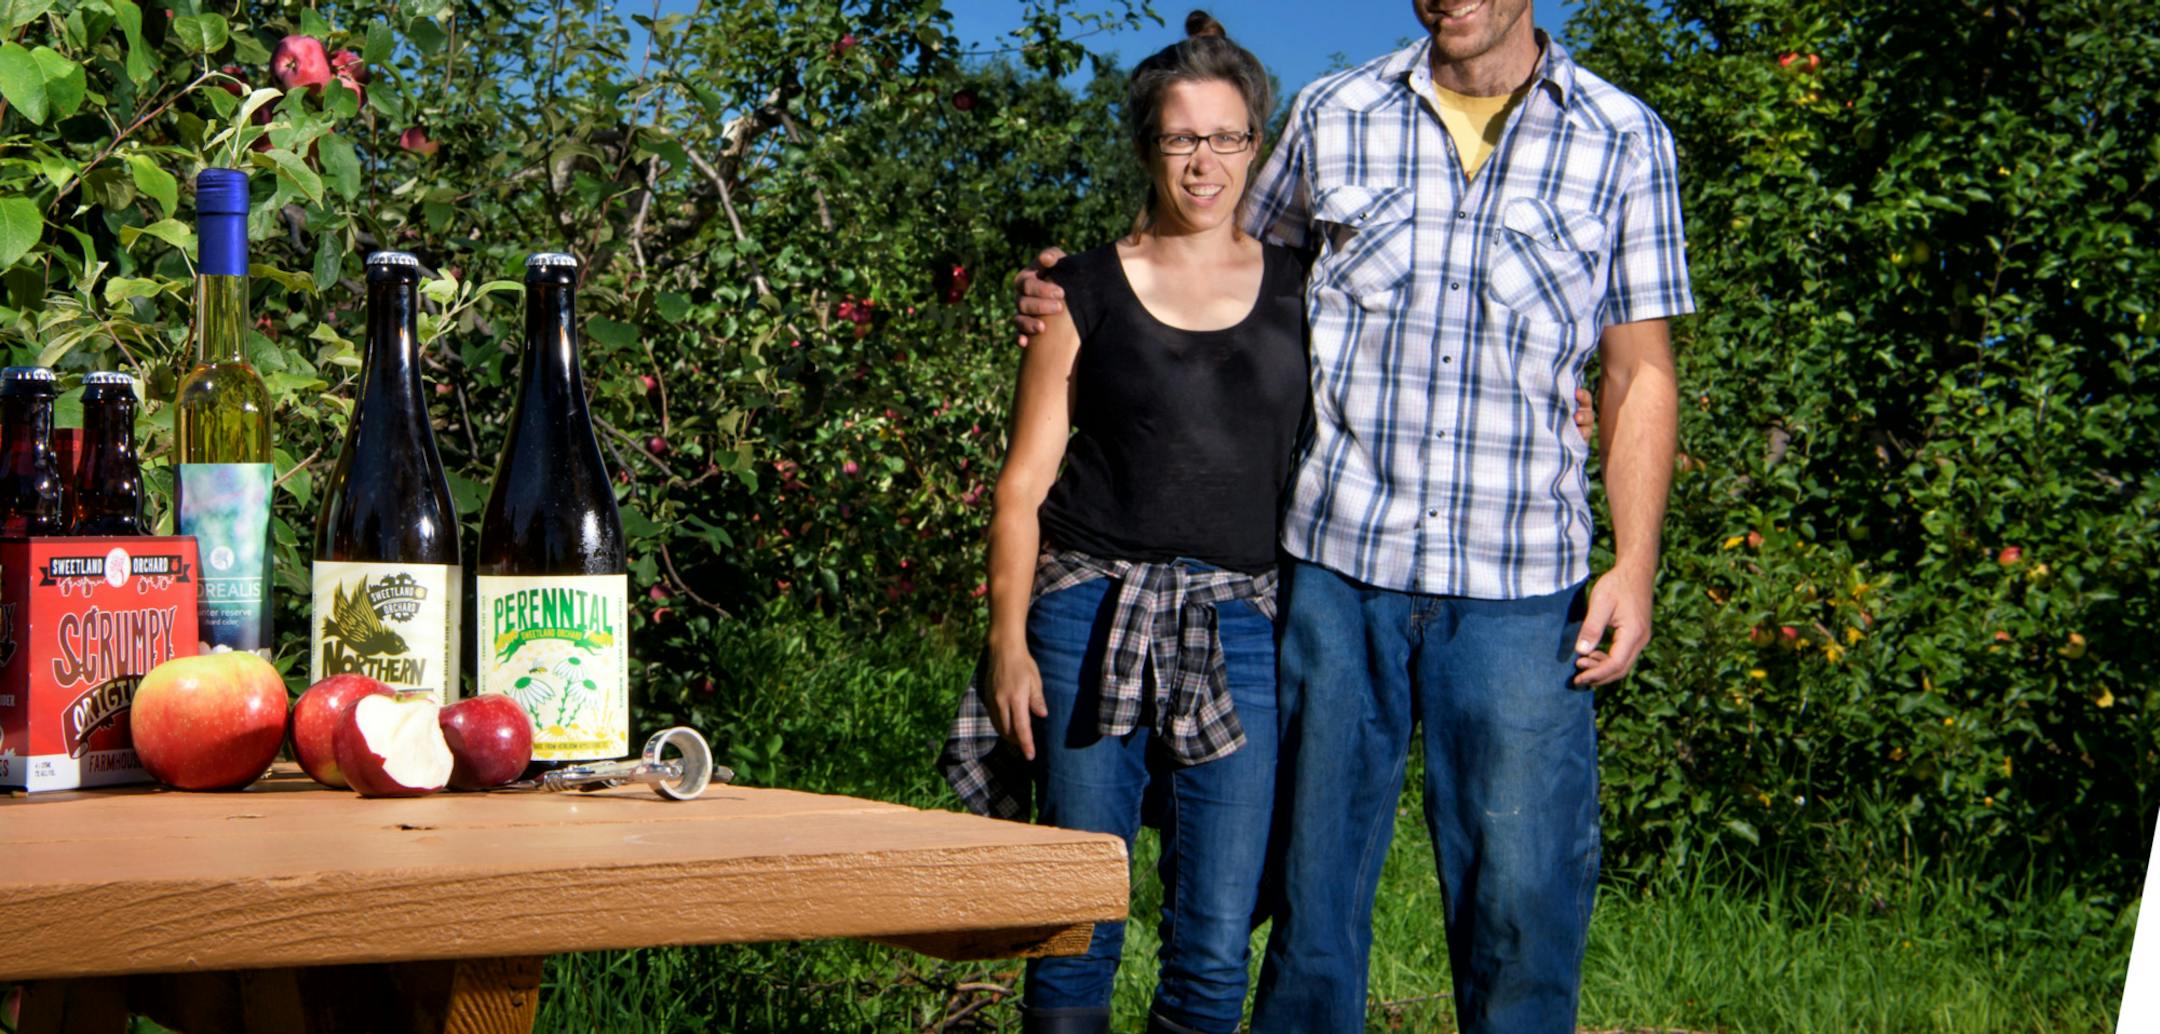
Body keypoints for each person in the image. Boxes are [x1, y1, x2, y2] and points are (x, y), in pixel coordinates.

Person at [1015, 0, 1694, 1030]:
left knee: (1523, 899)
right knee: (1313, 900)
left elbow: (1639, 366)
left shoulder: (1624, 136)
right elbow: (1222, 256)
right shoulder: (1336, 112)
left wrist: (1635, 560)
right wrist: (1078, 293)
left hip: (1519, 583)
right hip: (1336, 566)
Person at [939, 14, 1307, 1034]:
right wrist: (1007, 642)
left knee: (1215, 936)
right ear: (1148, 146)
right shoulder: (1077, 290)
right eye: (1182, 137)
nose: (1205, 160)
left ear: (1257, 148)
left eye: (1227, 137)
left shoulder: (1300, 289)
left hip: (1241, 625)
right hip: (1086, 614)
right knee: (1076, 922)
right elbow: (1022, 484)